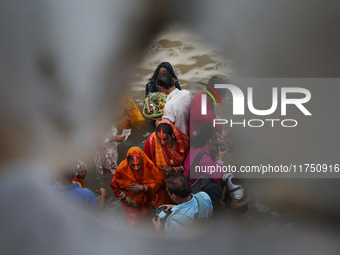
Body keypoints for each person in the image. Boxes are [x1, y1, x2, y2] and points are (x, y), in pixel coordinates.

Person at [110, 147, 163, 225]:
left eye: (138, 164)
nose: (136, 168)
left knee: (145, 219)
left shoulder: (149, 166)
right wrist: (126, 198)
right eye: (132, 165)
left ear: (142, 160)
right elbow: (115, 185)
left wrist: (144, 187)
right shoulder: (122, 168)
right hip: (130, 199)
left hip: (146, 199)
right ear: (128, 162)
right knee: (132, 222)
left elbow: (159, 183)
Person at [144, 120, 189, 206]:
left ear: (172, 135)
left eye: (165, 139)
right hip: (161, 183)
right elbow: (147, 165)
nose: (162, 143)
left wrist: (175, 169)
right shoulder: (151, 142)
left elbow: (188, 163)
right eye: (159, 139)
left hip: (180, 181)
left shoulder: (182, 142)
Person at [183, 123, 228, 208]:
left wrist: (222, 136)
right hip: (193, 186)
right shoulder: (203, 158)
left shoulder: (196, 145)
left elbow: (212, 146)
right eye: (213, 137)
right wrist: (221, 158)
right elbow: (215, 175)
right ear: (209, 140)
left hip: (187, 178)